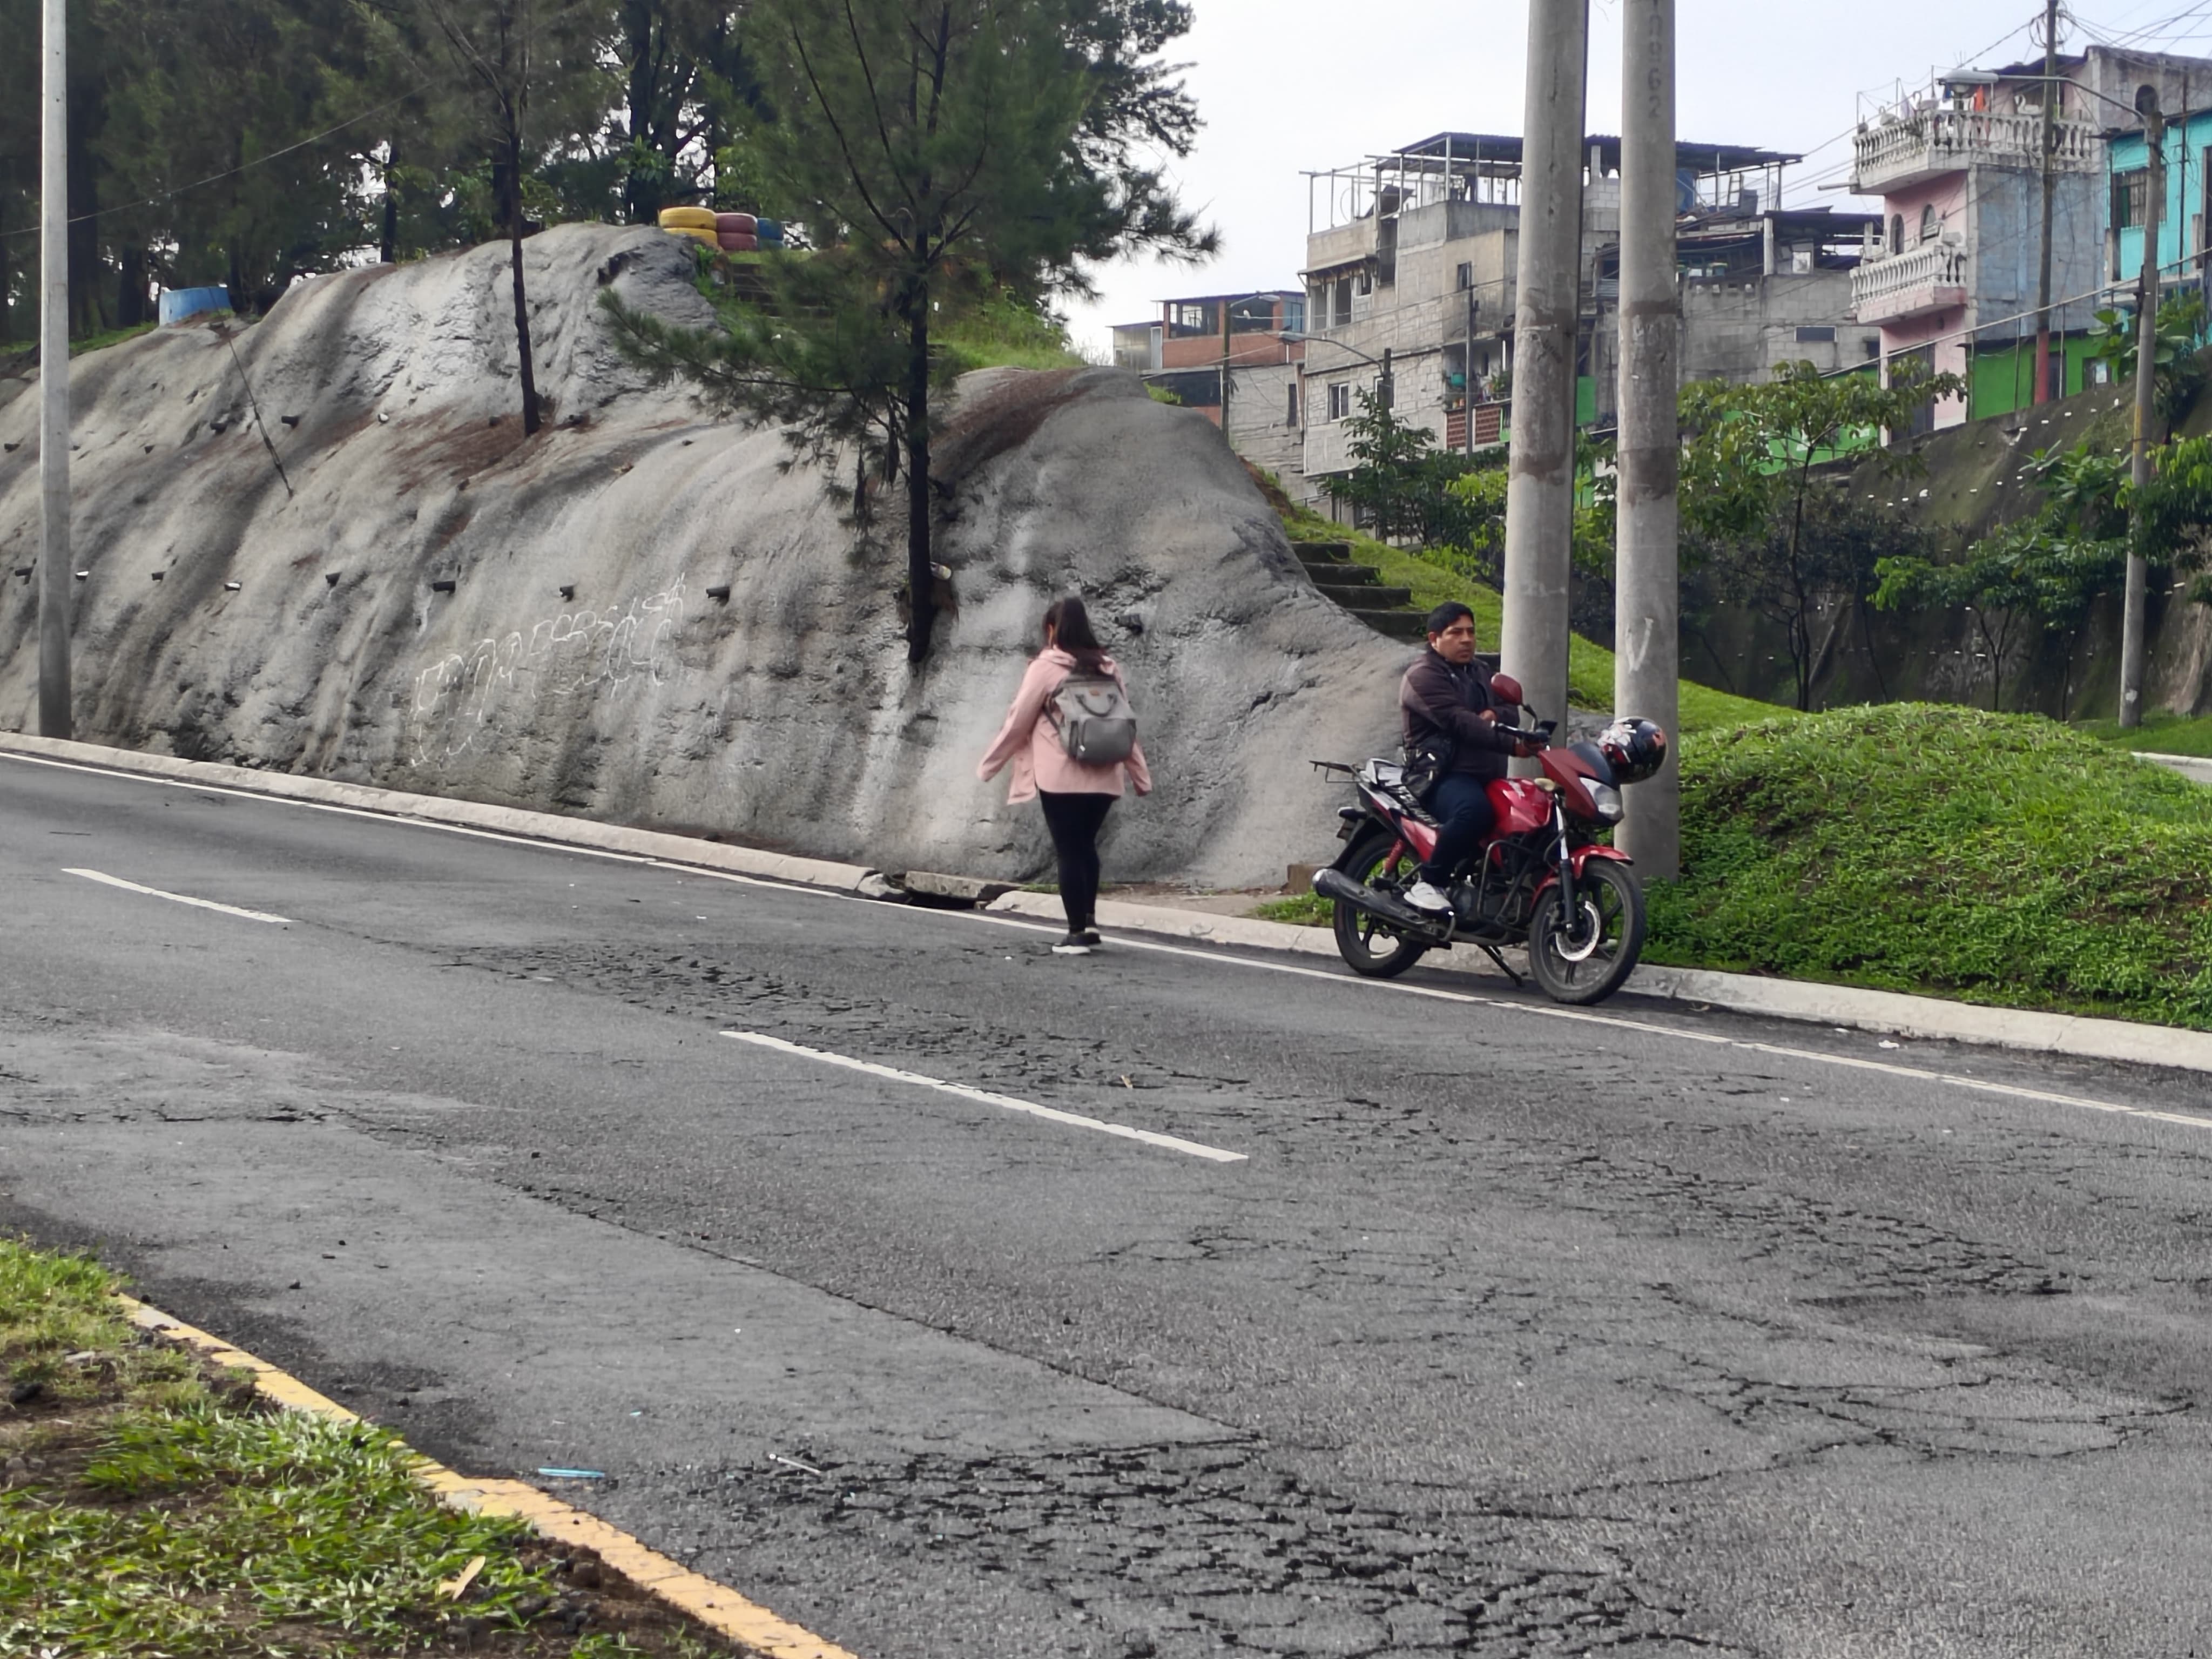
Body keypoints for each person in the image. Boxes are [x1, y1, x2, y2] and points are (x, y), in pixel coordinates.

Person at [977, 596, 1152, 955]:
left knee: (1069, 851)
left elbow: (1018, 722)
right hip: (1106, 774)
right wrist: (1140, 775)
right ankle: (1088, 921)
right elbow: (1124, 724)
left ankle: (1077, 933)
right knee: (1086, 847)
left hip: (1061, 775)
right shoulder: (1107, 667)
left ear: (1052, 629)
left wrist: (990, 765)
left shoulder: (1045, 668)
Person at [1397, 601, 1533, 914]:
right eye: (1456, 633)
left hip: (1486, 775)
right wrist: (1511, 744)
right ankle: (1429, 882)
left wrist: (1495, 713)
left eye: (1471, 632)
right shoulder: (1423, 676)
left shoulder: (1481, 672)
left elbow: (1509, 708)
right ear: (1434, 639)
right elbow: (1459, 721)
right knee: (1474, 812)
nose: (1467, 639)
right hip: (1442, 776)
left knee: (1530, 815)